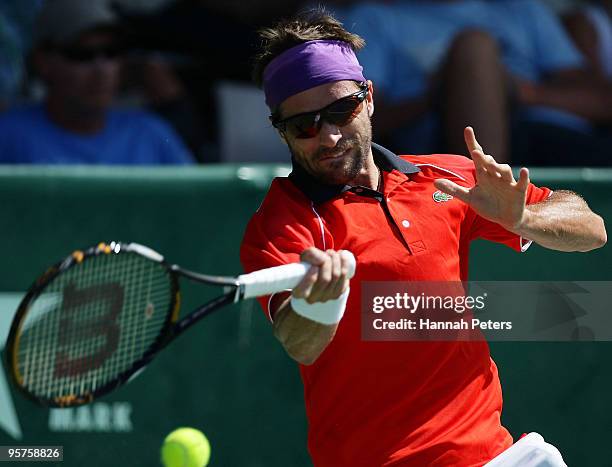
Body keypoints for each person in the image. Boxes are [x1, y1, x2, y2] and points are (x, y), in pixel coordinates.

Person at [240, 9, 607, 467]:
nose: (329, 135)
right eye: (304, 125)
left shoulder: (443, 176)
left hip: (498, 455)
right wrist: (321, 301)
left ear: (368, 98)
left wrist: (522, 218)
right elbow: (300, 342)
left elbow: (592, 230)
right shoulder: (281, 225)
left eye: (341, 110)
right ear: (282, 131)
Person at [330, 0, 612, 165]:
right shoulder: (377, 17)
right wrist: (444, 91)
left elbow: (600, 101)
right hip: (443, 145)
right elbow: (354, 118)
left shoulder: (522, 8)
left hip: (557, 138)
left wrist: (519, 91)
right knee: (474, 47)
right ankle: (485, 204)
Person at [0, 0, 193, 165]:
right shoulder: (8, 135)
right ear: (42, 61)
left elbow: (197, 204)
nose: (102, 69)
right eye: (82, 54)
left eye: (112, 52)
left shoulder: (152, 134)